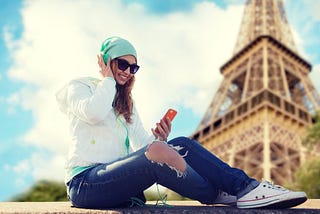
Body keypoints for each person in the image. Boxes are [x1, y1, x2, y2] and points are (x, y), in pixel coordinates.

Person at [56, 36, 307, 209]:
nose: (128, 71)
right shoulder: (79, 87)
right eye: (122, 64)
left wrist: (161, 139)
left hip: (115, 182)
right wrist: (107, 80)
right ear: (106, 60)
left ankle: (243, 187)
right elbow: (93, 113)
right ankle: (223, 190)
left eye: (134, 68)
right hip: (85, 184)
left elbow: (143, 145)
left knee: (178, 143)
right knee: (159, 151)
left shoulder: (125, 104)